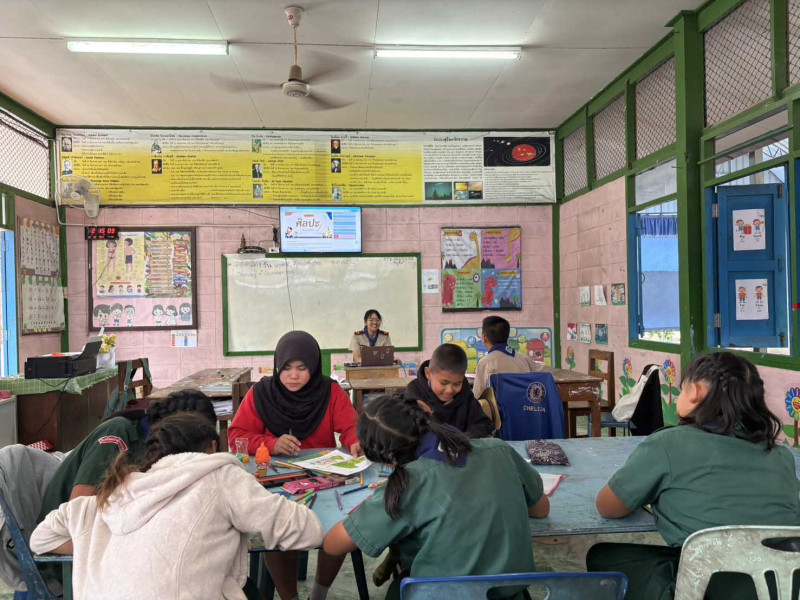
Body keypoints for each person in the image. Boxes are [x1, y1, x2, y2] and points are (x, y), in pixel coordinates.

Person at [31, 413, 323, 600]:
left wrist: (97, 543)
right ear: (212, 448)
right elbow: (307, 531)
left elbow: (41, 539)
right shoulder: (219, 475)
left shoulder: (113, 492)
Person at [588, 352, 800, 600]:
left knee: (602, 555)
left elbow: (608, 506)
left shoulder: (668, 444)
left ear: (696, 391)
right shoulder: (780, 455)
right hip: (782, 585)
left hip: (709, 586)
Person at [323, 395, 549, 600]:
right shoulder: (499, 449)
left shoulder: (407, 485)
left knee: (399, 587)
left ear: (387, 459)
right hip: (511, 593)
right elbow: (541, 509)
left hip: (439, 593)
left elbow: (333, 545)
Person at [227, 330, 359, 600]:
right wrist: (270, 443)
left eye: (302, 368)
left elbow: (351, 427)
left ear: (314, 366)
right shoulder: (261, 393)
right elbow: (236, 435)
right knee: (276, 530)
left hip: (325, 481)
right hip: (274, 481)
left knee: (341, 527)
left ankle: (319, 593)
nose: (293, 375)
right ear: (277, 366)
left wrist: (356, 441)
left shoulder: (329, 391)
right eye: (286, 368)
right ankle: (290, 597)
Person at [37, 390, 218, 523]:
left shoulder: (158, 444)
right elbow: (77, 509)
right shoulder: (117, 434)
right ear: (181, 430)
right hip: (66, 542)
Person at [405, 343, 494, 438]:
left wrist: (464, 438)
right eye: (444, 383)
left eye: (457, 384)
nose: (449, 390)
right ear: (428, 373)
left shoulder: (465, 394)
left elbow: (482, 425)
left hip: (461, 444)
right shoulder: (414, 393)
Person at [472, 316, 541, 398]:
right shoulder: (525, 359)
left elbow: (477, 397)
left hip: (496, 406)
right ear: (507, 336)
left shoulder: (484, 363)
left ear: (484, 337)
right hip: (524, 405)